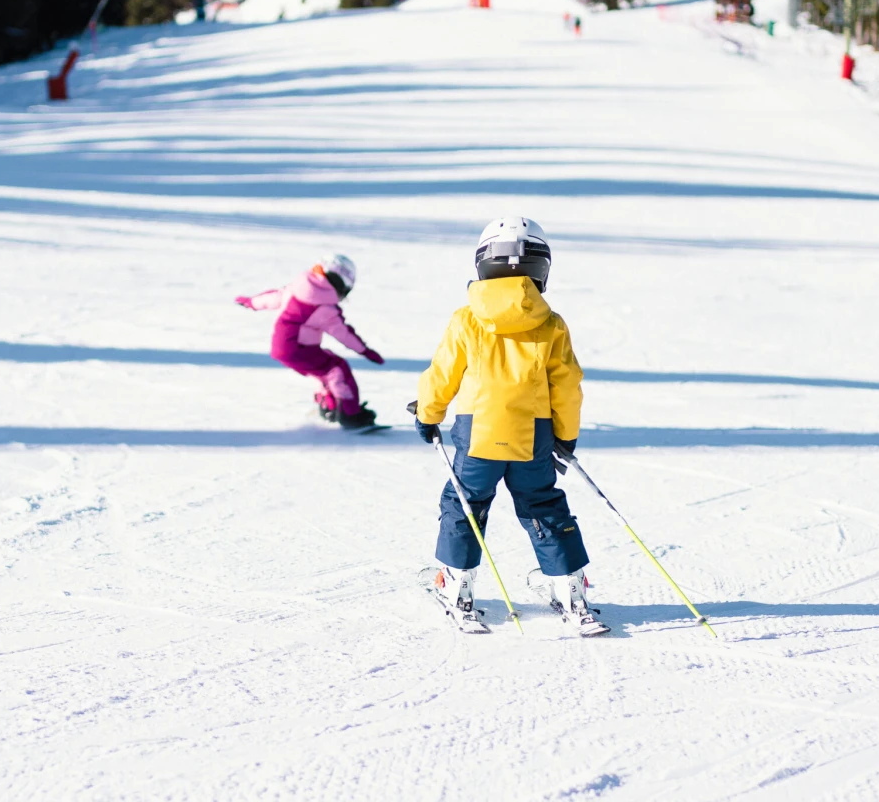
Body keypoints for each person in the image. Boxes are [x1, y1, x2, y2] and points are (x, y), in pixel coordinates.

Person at [412, 218, 608, 635]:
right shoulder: (551, 323)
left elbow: (443, 373)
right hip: (532, 434)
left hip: (478, 433)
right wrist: (566, 435)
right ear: (541, 269)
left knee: (466, 502)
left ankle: (457, 586)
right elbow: (567, 386)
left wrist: (428, 414)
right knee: (542, 504)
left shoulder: (467, 319)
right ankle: (570, 591)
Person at [236, 254, 383, 430]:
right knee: (337, 369)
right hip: (298, 348)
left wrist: (251, 302)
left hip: (280, 347)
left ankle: (329, 406)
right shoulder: (325, 308)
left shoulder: (294, 289)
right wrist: (365, 351)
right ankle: (351, 415)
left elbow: (271, 298)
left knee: (322, 370)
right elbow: (344, 334)